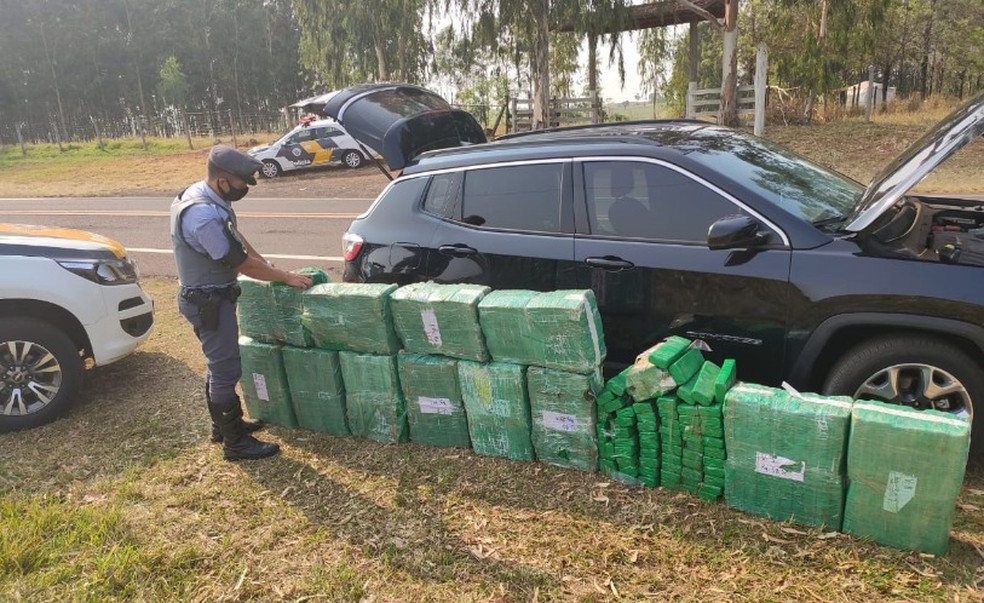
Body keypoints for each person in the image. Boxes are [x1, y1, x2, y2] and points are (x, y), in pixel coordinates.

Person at [170, 144, 313, 461]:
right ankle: (235, 444)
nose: (246, 188)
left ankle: (224, 427)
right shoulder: (202, 215)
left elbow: (235, 237)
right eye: (242, 183)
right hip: (208, 301)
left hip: (211, 296)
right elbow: (240, 263)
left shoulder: (207, 196)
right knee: (225, 368)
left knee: (218, 363)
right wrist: (284, 277)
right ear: (222, 180)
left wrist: (271, 265)